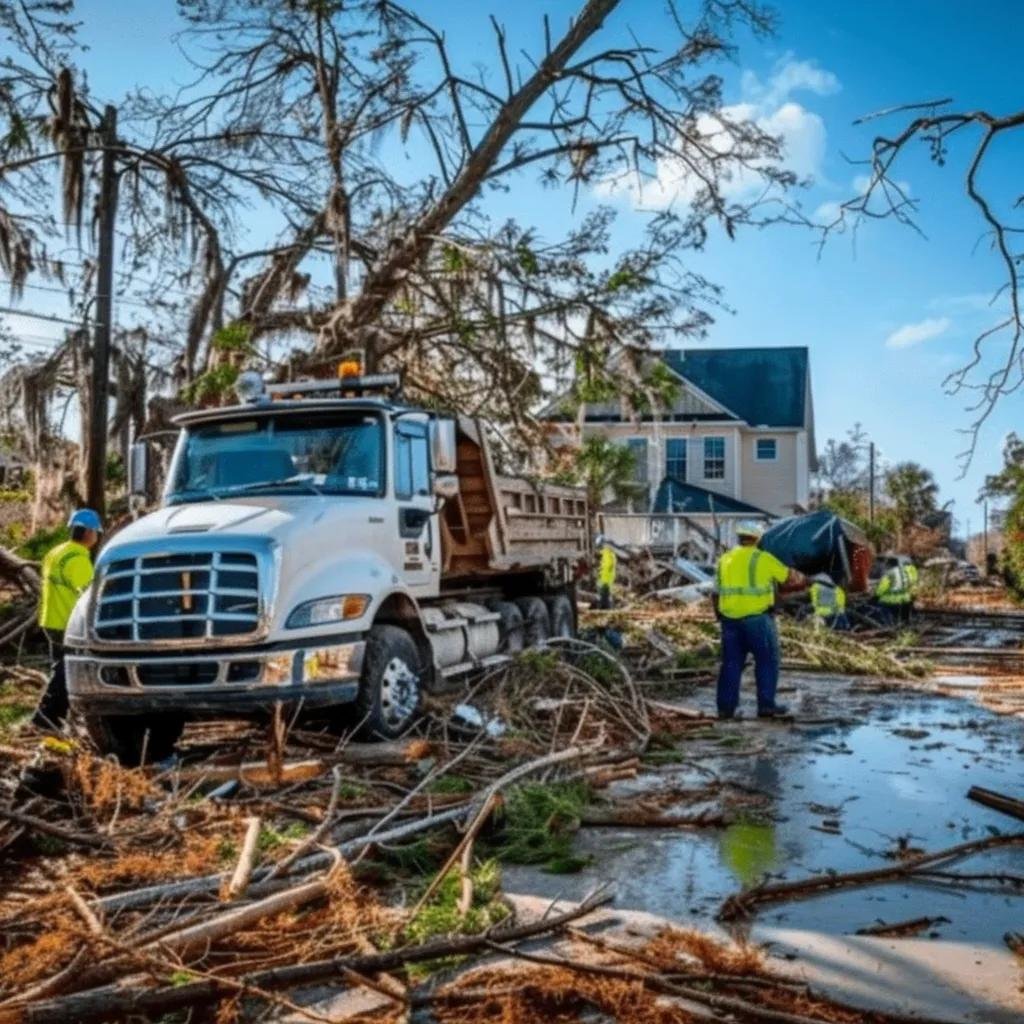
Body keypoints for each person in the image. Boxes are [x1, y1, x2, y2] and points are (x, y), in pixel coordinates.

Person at [714, 520, 805, 720]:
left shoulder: (724, 560)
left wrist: (718, 615)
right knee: (767, 661)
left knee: (730, 664)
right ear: (758, 539)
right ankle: (766, 706)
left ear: (739, 538)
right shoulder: (764, 559)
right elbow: (790, 579)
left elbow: (716, 592)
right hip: (758, 620)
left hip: (729, 621)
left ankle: (725, 709)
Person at [33, 509, 102, 728]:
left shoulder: (55, 552)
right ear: (90, 533)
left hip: (49, 619)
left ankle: (56, 718)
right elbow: (90, 594)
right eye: (96, 532)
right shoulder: (77, 558)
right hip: (67, 624)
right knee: (64, 675)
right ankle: (45, 719)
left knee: (59, 670)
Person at [872, 561, 910, 628]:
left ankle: (887, 625)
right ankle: (904, 624)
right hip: (905, 599)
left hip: (893, 600)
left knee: (879, 605)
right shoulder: (905, 572)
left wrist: (875, 596)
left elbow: (881, 589)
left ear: (889, 565)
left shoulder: (889, 574)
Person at [595, 534, 617, 610]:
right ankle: (606, 609)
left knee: (604, 596)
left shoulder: (606, 553)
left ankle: (606, 609)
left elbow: (607, 565)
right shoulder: (609, 552)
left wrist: (599, 571)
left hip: (605, 578)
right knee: (605, 596)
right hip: (607, 578)